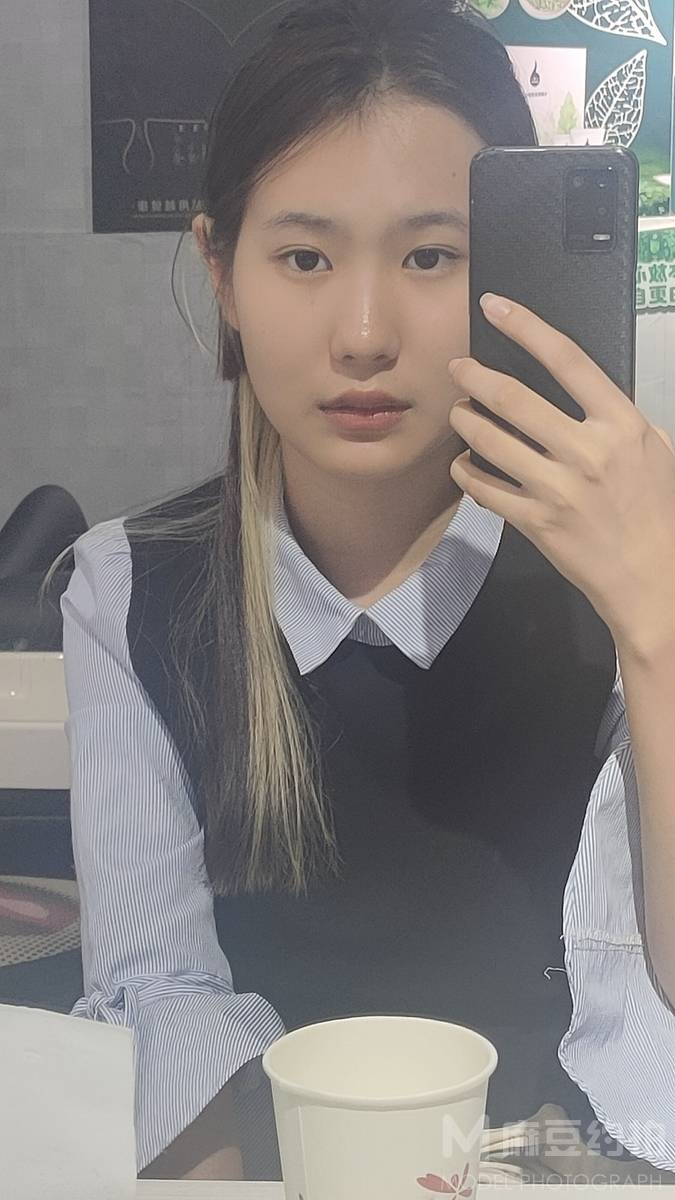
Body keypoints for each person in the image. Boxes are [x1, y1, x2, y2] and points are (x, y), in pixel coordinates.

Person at [42, 0, 675, 1183]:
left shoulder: (617, 568)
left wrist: (662, 630)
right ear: (223, 275)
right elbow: (161, 999)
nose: (366, 334)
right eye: (305, 258)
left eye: (431, 256)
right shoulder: (131, 589)